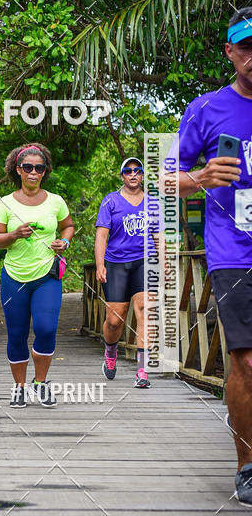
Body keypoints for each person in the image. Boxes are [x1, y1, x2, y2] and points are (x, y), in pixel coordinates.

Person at [175, 6, 252, 506]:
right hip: (235, 253)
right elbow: (167, 178)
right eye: (247, 49)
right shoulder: (207, 109)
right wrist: (199, 179)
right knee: (245, 361)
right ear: (230, 53)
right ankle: (248, 466)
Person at [0, 143, 74, 408]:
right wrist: (14, 235)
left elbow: (68, 226)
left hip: (47, 276)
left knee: (46, 329)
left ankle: (40, 382)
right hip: (14, 277)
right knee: (16, 334)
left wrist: (64, 242)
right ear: (18, 170)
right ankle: (19, 387)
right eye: (28, 167)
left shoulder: (56, 201)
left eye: (39, 168)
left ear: (45, 171)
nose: (34, 172)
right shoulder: (5, 203)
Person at [95, 157, 159, 389]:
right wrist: (100, 264)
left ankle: (142, 370)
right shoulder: (110, 201)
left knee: (145, 312)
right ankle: (110, 352)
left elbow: (158, 236)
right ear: (122, 176)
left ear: (142, 176)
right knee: (115, 320)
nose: (133, 174)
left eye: (137, 171)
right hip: (116, 263)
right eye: (128, 171)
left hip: (145, 261)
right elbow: (102, 235)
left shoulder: (153, 203)